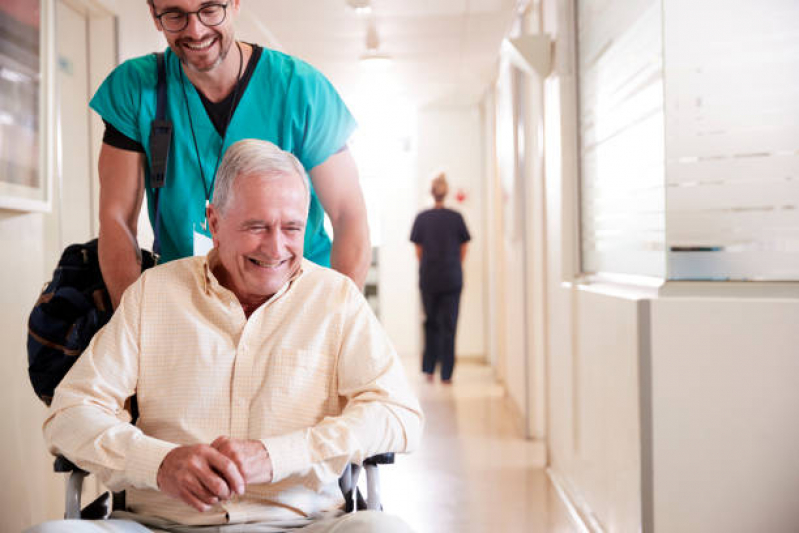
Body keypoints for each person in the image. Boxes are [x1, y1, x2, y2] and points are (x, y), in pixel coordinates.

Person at [30, 140, 422, 532]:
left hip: (303, 524)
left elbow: (399, 414)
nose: (276, 247)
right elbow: (69, 414)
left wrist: (277, 455)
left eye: (291, 228)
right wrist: (159, 463)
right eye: (256, 226)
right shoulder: (154, 293)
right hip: (159, 524)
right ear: (214, 223)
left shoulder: (336, 299)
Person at [94, 0, 370, 309]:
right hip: (188, 301)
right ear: (155, 15)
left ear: (235, 3)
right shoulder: (136, 88)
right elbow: (116, 218)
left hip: (297, 300)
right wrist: (133, 322)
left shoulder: (300, 89)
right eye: (175, 15)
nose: (196, 31)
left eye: (210, 9)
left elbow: (349, 214)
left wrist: (340, 322)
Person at [410, 173, 471, 384]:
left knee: (430, 323)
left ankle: (429, 368)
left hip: (429, 277)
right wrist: (454, 265)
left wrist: (430, 265)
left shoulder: (422, 218)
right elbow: (464, 248)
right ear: (446, 192)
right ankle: (447, 373)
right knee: (450, 325)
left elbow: (418, 251)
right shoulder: (457, 218)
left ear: (431, 192)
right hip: (453, 277)